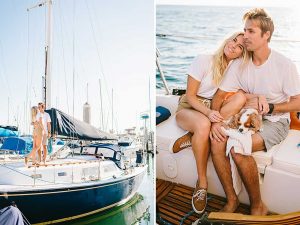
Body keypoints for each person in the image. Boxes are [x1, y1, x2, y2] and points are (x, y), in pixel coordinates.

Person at [210, 8, 300, 216]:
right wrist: (215, 121)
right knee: (216, 140)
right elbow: (218, 96)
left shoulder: (284, 65)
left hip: (276, 121)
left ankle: (258, 206)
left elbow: (298, 102)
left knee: (238, 148)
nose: (245, 36)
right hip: (245, 116)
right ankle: (231, 200)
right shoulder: (240, 64)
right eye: (244, 30)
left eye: (251, 31)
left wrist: (273, 107)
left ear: (266, 35)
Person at [174, 31, 249, 214]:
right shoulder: (204, 60)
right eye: (233, 40)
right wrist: (209, 113)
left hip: (212, 108)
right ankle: (202, 183)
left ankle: (192, 137)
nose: (234, 45)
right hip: (190, 106)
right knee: (204, 125)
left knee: (239, 99)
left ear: (242, 54)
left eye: (240, 46)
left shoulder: (235, 70)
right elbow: (190, 96)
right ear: (227, 40)